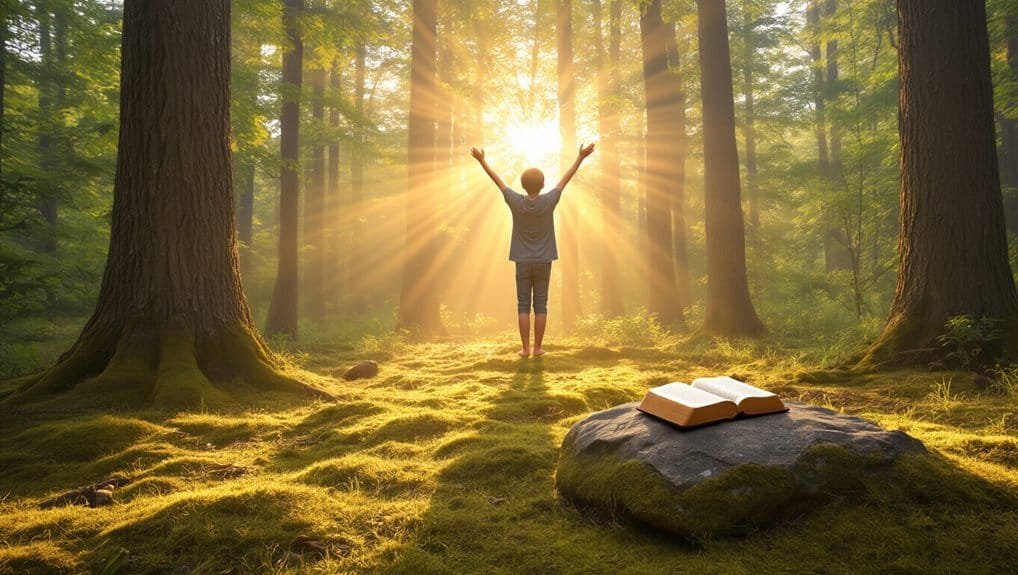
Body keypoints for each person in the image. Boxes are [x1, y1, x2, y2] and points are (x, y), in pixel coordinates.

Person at [470, 143, 596, 357]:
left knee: (522, 305)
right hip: (544, 261)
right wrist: (580, 158)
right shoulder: (549, 201)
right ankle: (538, 348)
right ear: (543, 184)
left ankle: (525, 349)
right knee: (541, 305)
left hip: (522, 261)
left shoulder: (515, 201)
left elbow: (497, 181)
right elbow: (566, 179)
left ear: (522, 185)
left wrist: (482, 161)